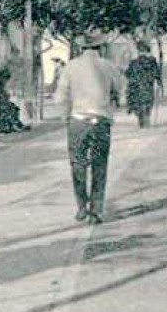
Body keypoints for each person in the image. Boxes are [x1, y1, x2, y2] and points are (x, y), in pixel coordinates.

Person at [53, 32, 125, 224]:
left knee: (78, 164)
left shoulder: (70, 67)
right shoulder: (108, 66)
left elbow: (60, 97)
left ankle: (81, 206)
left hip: (78, 120)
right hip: (101, 120)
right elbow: (120, 89)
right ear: (100, 48)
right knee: (99, 165)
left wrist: (65, 116)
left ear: (80, 48)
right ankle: (96, 210)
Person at [125, 40, 163, 130]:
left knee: (139, 104)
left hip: (137, 87)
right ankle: (146, 121)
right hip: (148, 85)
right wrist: (158, 82)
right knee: (147, 103)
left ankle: (142, 122)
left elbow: (128, 74)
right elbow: (157, 73)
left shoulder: (134, 62)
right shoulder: (152, 61)